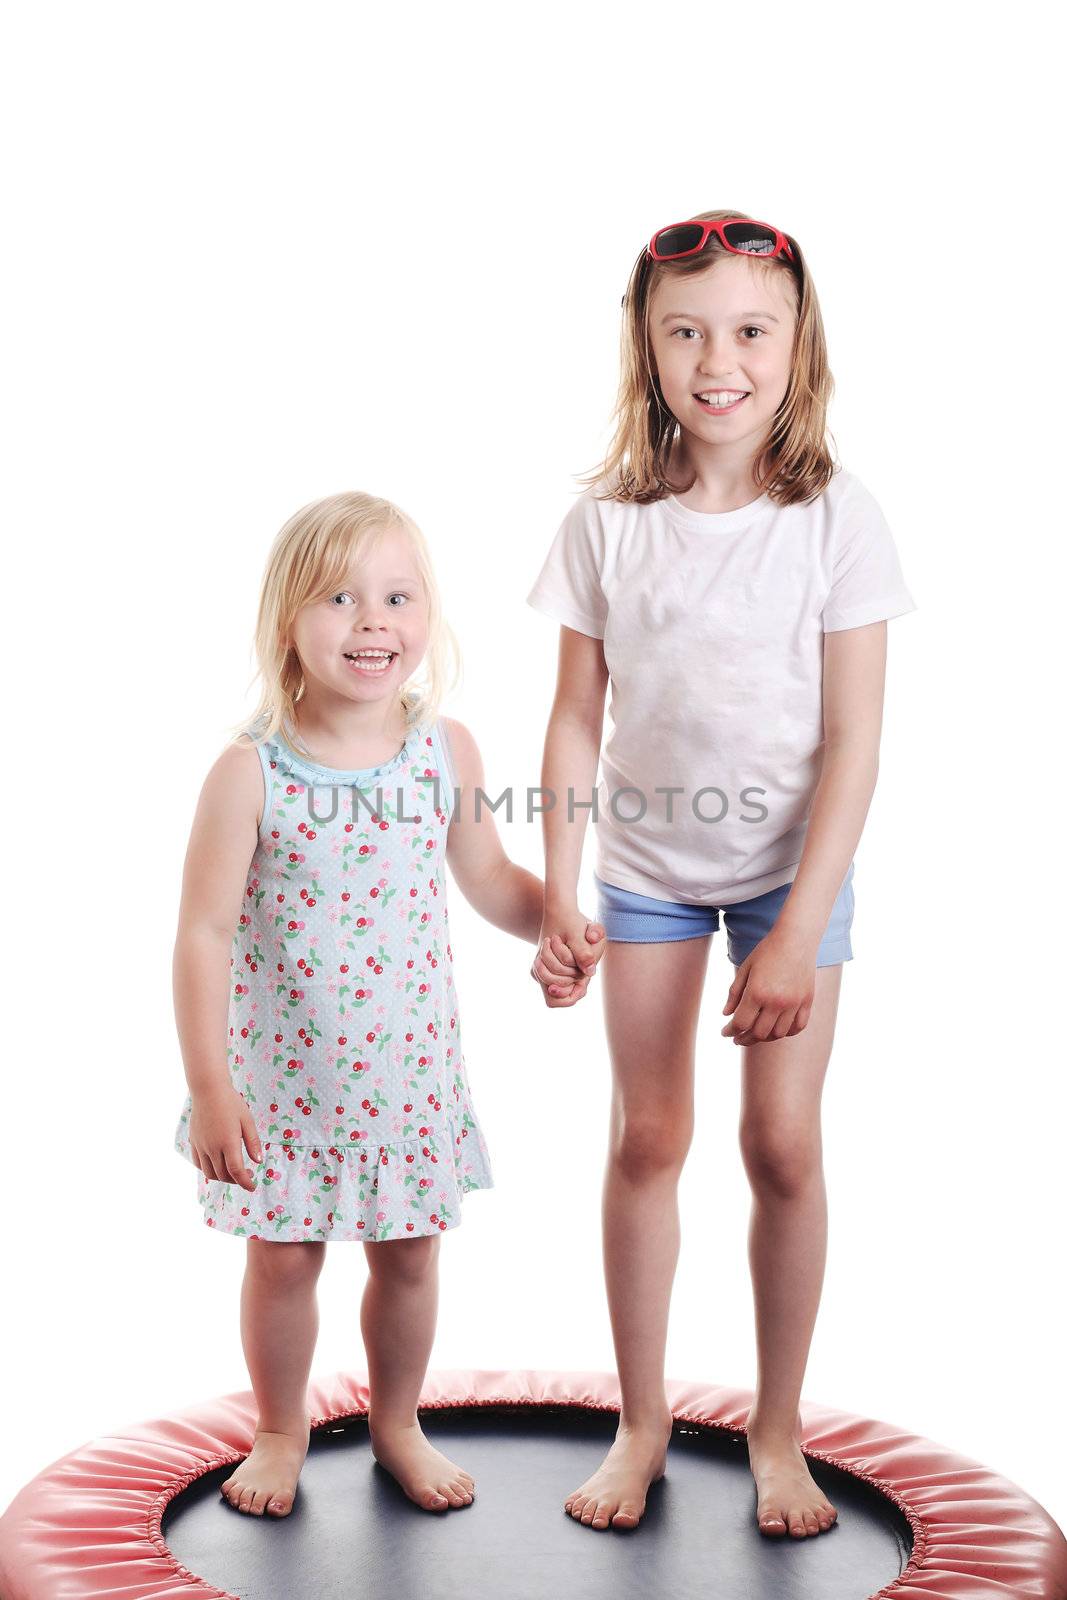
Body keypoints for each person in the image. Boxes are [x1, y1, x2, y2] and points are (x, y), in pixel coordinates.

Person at [525, 211, 916, 1539]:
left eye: (748, 330)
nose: (717, 361)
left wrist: (796, 929)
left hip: (785, 875)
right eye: (684, 331)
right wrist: (559, 888)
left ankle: (776, 1429)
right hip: (641, 865)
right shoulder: (606, 521)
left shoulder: (834, 520)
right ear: (643, 344)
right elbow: (575, 717)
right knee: (646, 1138)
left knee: (780, 1145)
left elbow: (855, 739)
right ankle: (640, 1426)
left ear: (794, 343)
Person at [172, 490, 602, 1519]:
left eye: (397, 598)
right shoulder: (250, 772)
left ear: (426, 618)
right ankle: (280, 1427)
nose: (373, 622)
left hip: (405, 1078)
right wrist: (210, 1086)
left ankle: (395, 1419)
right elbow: (203, 934)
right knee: (282, 1259)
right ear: (288, 623)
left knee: (410, 1257)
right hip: (286, 1083)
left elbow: (489, 874)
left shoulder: (440, 750)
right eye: (339, 598)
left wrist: (553, 916)